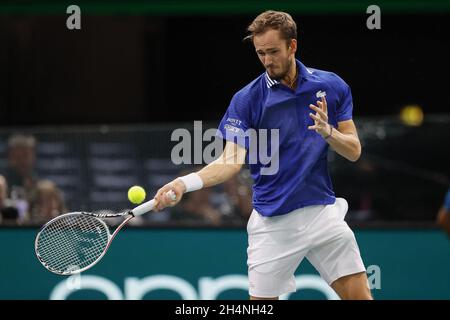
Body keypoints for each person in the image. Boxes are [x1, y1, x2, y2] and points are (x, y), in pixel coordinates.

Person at [154, 11, 372, 300]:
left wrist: (328, 132)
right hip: (273, 224)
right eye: (260, 53)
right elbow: (230, 161)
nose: (267, 61)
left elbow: (354, 150)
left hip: (323, 214)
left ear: (292, 46)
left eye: (273, 51)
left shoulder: (331, 86)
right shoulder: (247, 100)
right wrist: (184, 183)